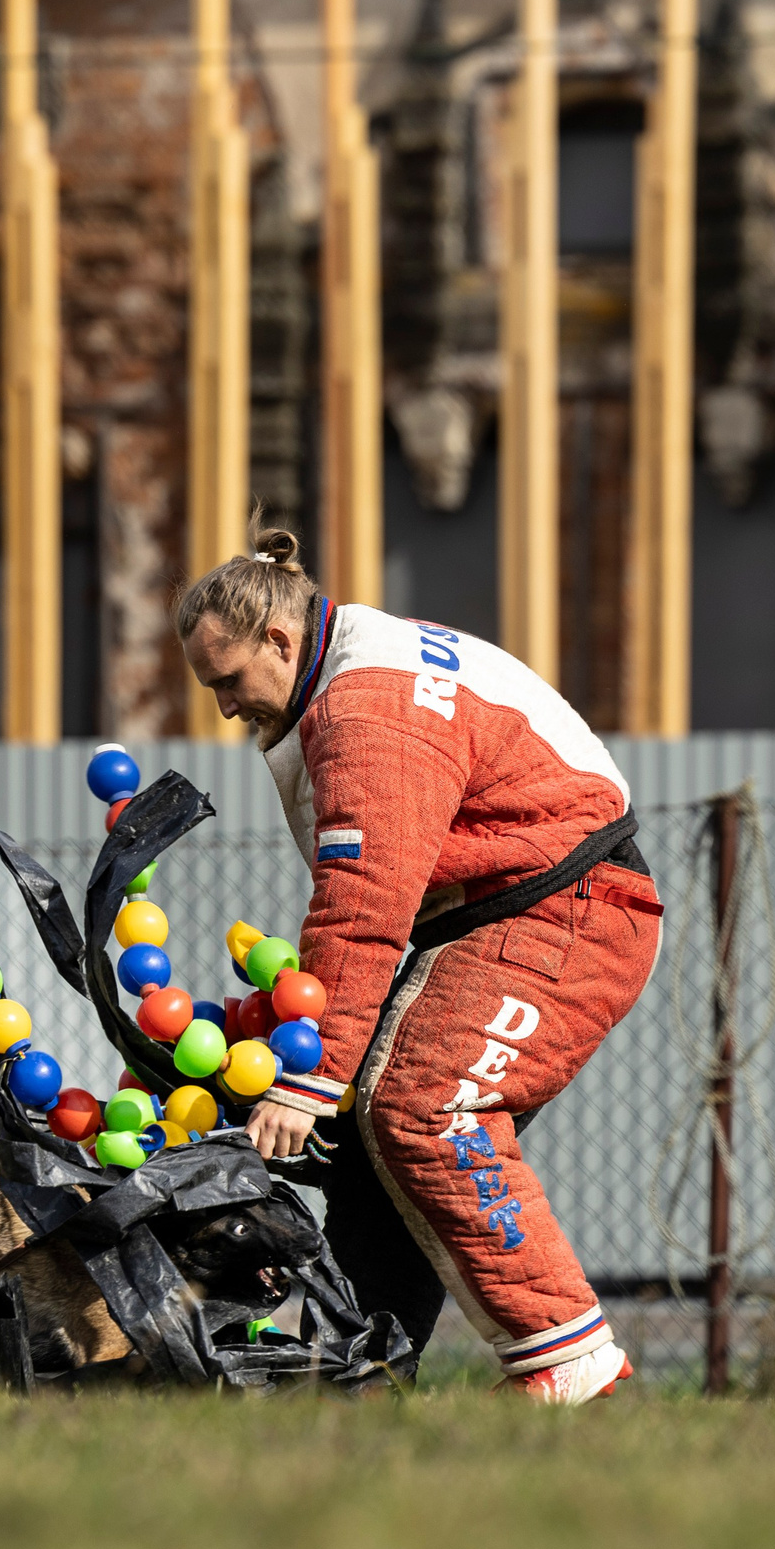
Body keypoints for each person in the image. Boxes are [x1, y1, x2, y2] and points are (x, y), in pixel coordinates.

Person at [175, 527, 664, 1403]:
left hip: (568, 910)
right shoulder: (361, 659)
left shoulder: (368, 714)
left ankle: (573, 1373)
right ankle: (351, 1374)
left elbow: (364, 908)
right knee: (372, 1133)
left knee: (425, 1102)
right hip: (533, 903)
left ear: (282, 642)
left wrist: (308, 1076)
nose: (224, 707)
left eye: (229, 681)